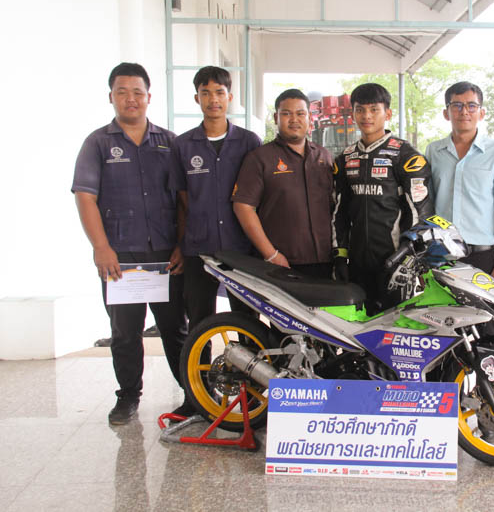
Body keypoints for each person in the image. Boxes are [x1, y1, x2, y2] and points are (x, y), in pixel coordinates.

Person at [72, 62, 186, 425]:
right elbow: (85, 197)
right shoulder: (98, 143)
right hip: (120, 257)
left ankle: (192, 395)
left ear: (149, 97)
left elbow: (184, 199)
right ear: (111, 97)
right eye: (122, 92)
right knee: (125, 332)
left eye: (137, 92)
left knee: (176, 329)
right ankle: (128, 396)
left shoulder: (169, 143)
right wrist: (101, 247)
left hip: (166, 255)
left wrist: (182, 244)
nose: (131, 99)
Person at [169, 66, 262, 415]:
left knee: (247, 321)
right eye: (206, 93)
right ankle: (197, 397)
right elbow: (182, 201)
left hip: (241, 251)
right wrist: (183, 243)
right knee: (199, 322)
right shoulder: (182, 146)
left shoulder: (249, 142)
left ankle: (252, 393)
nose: (213, 100)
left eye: (220, 92)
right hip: (199, 249)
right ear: (197, 98)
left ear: (230, 97)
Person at [332, 83, 434, 313]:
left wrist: (408, 259)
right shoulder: (345, 159)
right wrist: (340, 255)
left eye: (374, 109)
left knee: (393, 327)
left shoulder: (406, 156)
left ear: (387, 113)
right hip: (356, 263)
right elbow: (339, 212)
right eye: (360, 110)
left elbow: (420, 213)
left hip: (395, 262)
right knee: (355, 326)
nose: (366, 116)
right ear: (353, 114)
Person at [232, 89, 334, 279]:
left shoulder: (324, 156)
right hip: (281, 263)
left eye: (300, 113)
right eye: (286, 113)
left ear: (309, 118)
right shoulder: (259, 158)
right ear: (276, 117)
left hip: (325, 261)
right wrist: (271, 254)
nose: (294, 119)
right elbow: (243, 207)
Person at [426, 81, 494, 288]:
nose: (464, 111)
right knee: (442, 309)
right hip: (441, 255)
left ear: (481, 113)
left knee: (485, 311)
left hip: (482, 257)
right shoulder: (433, 151)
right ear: (446, 113)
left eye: (471, 106)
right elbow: (427, 205)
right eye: (456, 105)